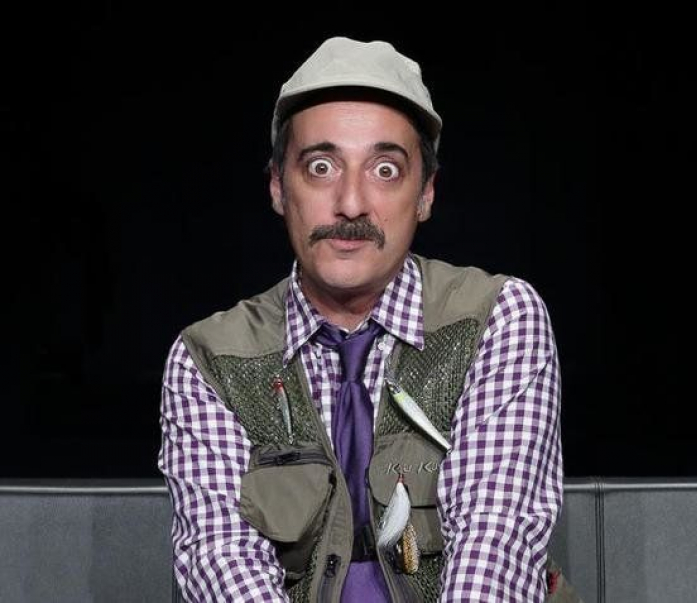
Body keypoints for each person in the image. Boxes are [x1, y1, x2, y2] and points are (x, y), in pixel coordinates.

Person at [159, 36, 575, 602]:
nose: (351, 203)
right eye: (321, 167)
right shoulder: (210, 360)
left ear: (425, 194)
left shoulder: (496, 319)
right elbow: (222, 559)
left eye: (384, 169)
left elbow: (494, 544)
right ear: (278, 187)